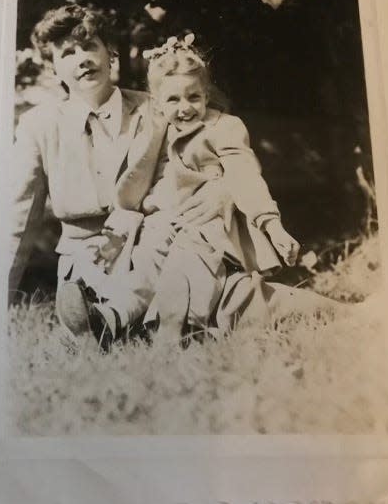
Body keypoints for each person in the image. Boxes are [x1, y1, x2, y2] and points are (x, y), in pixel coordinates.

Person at [9, 6, 230, 347]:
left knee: (233, 303)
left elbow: (209, 147)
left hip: (156, 242)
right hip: (87, 259)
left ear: (110, 54)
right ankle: (108, 320)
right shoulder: (38, 125)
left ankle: (127, 322)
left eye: (89, 46)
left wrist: (222, 188)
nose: (81, 59)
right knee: (126, 313)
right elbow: (18, 221)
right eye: (68, 53)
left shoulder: (156, 108)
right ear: (55, 67)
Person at [96, 34, 301, 338]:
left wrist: (272, 225)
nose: (185, 108)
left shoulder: (223, 127)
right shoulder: (155, 134)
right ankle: (112, 317)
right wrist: (154, 136)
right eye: (173, 100)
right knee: (150, 253)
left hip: (211, 223)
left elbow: (245, 176)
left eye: (194, 97)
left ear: (206, 94)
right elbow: (130, 194)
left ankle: (178, 329)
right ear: (157, 102)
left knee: (188, 259)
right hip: (166, 220)